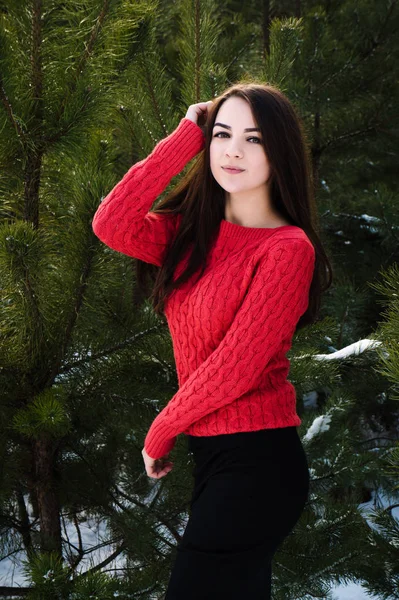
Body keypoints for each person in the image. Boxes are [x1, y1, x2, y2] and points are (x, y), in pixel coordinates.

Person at [92, 82, 333, 599]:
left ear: (281, 151)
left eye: (254, 138)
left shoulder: (287, 249)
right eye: (222, 134)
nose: (233, 151)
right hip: (216, 460)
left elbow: (236, 367)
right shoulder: (192, 235)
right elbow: (111, 222)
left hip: (259, 464)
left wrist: (161, 429)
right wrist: (186, 134)